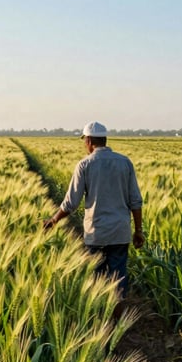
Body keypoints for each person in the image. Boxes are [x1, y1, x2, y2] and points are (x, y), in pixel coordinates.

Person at [43, 121, 144, 299]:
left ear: (89, 140)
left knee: (96, 283)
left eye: (84, 141)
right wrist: (138, 231)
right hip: (120, 233)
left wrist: (54, 220)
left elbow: (71, 202)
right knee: (118, 282)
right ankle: (116, 322)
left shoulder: (85, 165)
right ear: (104, 139)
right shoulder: (125, 163)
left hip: (96, 233)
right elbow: (135, 201)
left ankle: (100, 321)